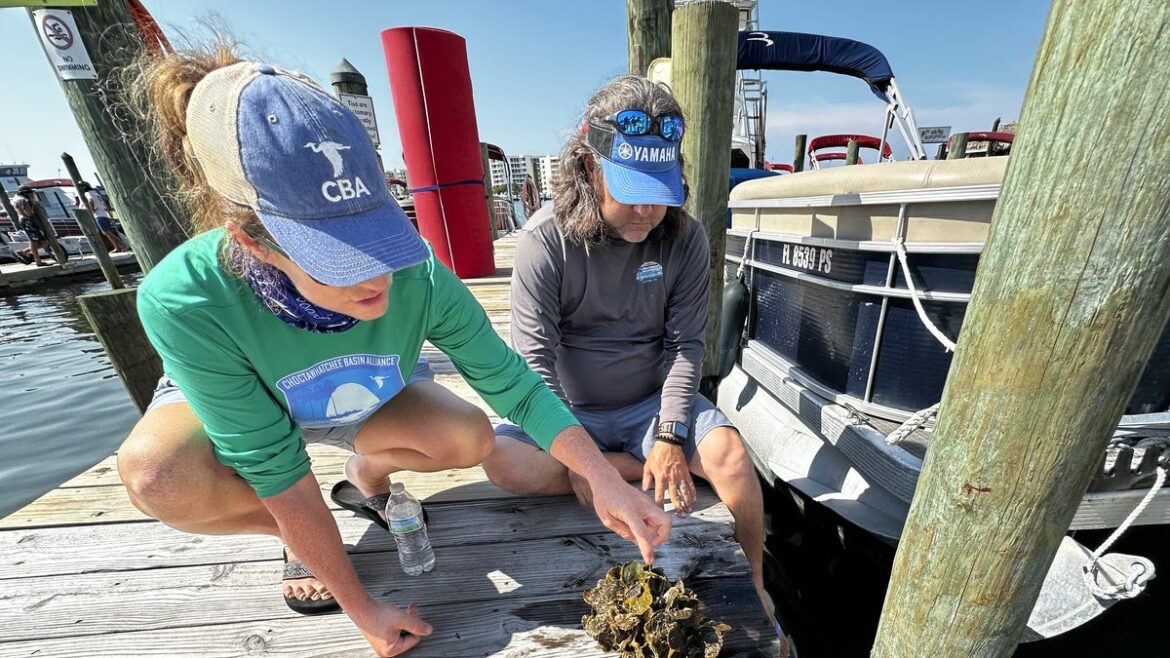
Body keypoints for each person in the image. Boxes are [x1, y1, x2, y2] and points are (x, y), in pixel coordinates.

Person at [116, 47, 670, 658]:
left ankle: (363, 477)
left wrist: (601, 479)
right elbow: (275, 466)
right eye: (341, 256)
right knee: (156, 474)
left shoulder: (419, 273)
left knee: (471, 437)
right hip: (250, 398)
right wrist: (362, 607)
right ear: (256, 243)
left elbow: (512, 384)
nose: (377, 275)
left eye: (378, 235)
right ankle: (292, 535)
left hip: (367, 390)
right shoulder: (183, 300)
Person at [482, 75, 772, 620]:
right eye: (631, 192)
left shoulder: (684, 238)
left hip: (649, 404)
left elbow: (687, 346)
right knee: (501, 462)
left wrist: (668, 435)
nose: (646, 211)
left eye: (659, 193)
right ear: (589, 167)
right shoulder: (545, 240)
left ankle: (757, 579)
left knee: (733, 460)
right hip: (565, 409)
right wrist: (581, 458)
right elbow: (533, 369)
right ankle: (619, 466)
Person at [77, 181, 129, 252]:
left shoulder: (87, 193)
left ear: (83, 187)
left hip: (99, 216)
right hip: (104, 214)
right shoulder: (95, 193)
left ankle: (123, 245)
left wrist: (92, 210)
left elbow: (90, 200)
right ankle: (116, 247)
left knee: (106, 232)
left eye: (80, 187)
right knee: (108, 232)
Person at [11, 194, 50, 267]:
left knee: (41, 243)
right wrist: (39, 224)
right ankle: (38, 261)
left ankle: (24, 252)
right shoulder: (23, 200)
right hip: (28, 221)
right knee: (35, 242)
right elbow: (29, 213)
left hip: (24, 221)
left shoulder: (17, 198)